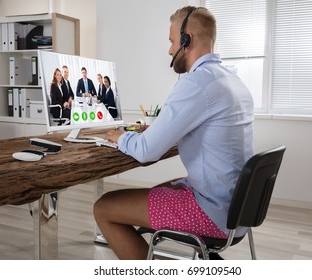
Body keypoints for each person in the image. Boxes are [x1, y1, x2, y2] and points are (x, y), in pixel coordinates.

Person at [93, 6, 254, 260]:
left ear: (187, 39)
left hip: (213, 213)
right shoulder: (231, 79)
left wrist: (120, 136)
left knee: (104, 207)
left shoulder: (197, 83)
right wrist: (157, 130)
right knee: (154, 191)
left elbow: (146, 151)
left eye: (172, 41)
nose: (169, 50)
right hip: (239, 210)